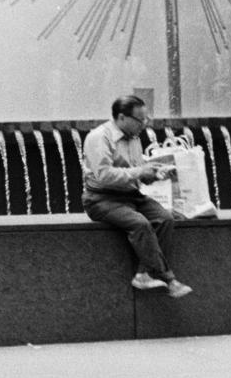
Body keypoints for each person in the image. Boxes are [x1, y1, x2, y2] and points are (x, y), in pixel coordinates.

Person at [81, 95, 193, 298]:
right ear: (122, 118)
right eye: (140, 120)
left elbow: (135, 173)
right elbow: (104, 175)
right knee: (140, 223)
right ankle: (168, 279)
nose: (145, 124)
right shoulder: (99, 138)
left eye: (146, 119)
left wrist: (154, 173)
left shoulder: (134, 138)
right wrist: (140, 172)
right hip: (101, 199)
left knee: (165, 219)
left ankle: (143, 274)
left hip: (130, 196)